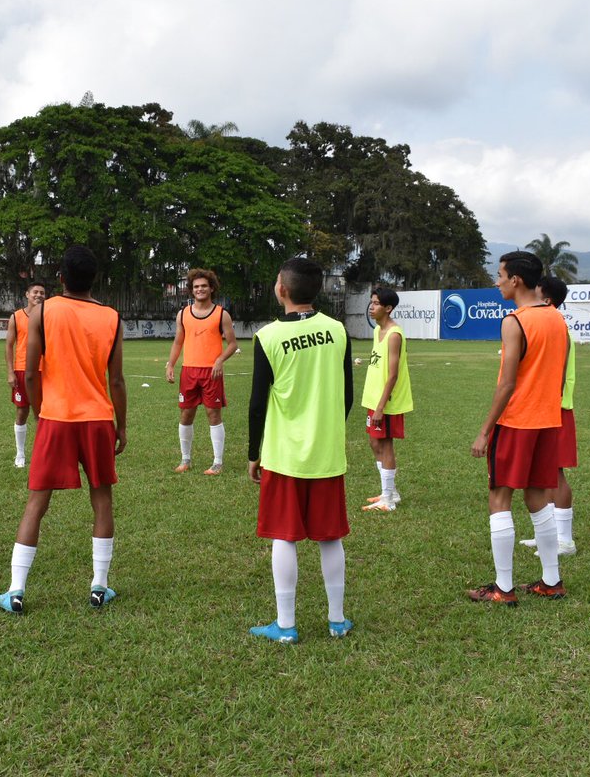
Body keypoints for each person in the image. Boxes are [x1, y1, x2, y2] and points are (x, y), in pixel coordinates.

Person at [0, 245, 127, 614]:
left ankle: (16, 591)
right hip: (98, 420)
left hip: (57, 419)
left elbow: (31, 371)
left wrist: (40, 412)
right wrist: (121, 426)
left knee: (37, 502)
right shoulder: (112, 317)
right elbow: (116, 380)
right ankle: (99, 585)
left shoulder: (42, 311)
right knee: (102, 499)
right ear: (94, 278)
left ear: (61, 278)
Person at [247, 257, 354, 643]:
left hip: (284, 454)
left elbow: (258, 403)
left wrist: (253, 453)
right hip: (326, 454)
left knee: (284, 536)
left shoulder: (267, 336)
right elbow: (347, 396)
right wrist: (325, 432)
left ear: (282, 290)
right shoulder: (338, 331)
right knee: (330, 537)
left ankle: (286, 626)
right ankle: (337, 621)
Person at [468, 251, 570, 606]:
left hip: (516, 422)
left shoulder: (515, 321)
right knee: (539, 498)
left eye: (500, 276)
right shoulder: (557, 319)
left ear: (517, 281)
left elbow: (507, 383)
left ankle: (503, 588)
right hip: (547, 421)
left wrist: (485, 430)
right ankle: (551, 580)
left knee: (499, 497)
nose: (497, 282)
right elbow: (557, 378)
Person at [520, 275, 578, 556]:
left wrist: (549, 402)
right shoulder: (551, 325)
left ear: (548, 301)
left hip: (556, 410)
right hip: (544, 409)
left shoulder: (559, 328)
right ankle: (549, 534)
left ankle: (565, 540)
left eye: (537, 294)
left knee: (556, 473)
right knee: (543, 474)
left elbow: (558, 370)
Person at [165, 268, 238, 475]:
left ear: (211, 288)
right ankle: (185, 460)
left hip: (211, 373)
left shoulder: (221, 314)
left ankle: (217, 462)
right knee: (186, 414)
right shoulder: (183, 314)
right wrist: (170, 364)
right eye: (196, 286)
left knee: (213, 414)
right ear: (191, 290)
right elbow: (178, 341)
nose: (200, 289)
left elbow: (232, 344)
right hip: (189, 371)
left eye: (204, 286)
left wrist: (219, 360)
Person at [360, 287, 413, 511]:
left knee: (386, 444)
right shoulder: (377, 331)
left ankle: (388, 499)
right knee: (374, 442)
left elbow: (393, 374)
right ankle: (390, 491)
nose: (372, 307)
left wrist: (381, 407)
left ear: (388, 308)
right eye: (371, 303)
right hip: (373, 398)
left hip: (387, 402)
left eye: (376, 304)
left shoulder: (394, 335)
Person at [5, 281, 48, 468]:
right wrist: (10, 372)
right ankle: (20, 454)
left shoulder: (49, 317)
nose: (38, 295)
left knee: (47, 413)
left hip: (45, 370)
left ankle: (44, 454)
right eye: (35, 292)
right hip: (22, 369)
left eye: (42, 293)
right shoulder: (16, 317)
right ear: (27, 294)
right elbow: (9, 345)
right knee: (22, 411)